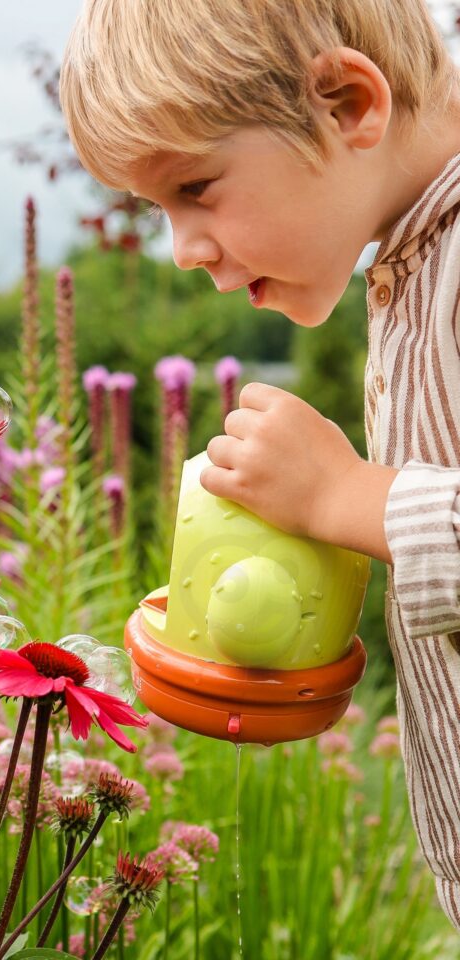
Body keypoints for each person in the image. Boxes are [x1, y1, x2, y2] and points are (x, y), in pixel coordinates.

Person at [60, 0, 460, 930]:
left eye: (196, 187)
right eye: (158, 209)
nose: (182, 250)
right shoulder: (409, 268)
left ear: (348, 104)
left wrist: (349, 496)